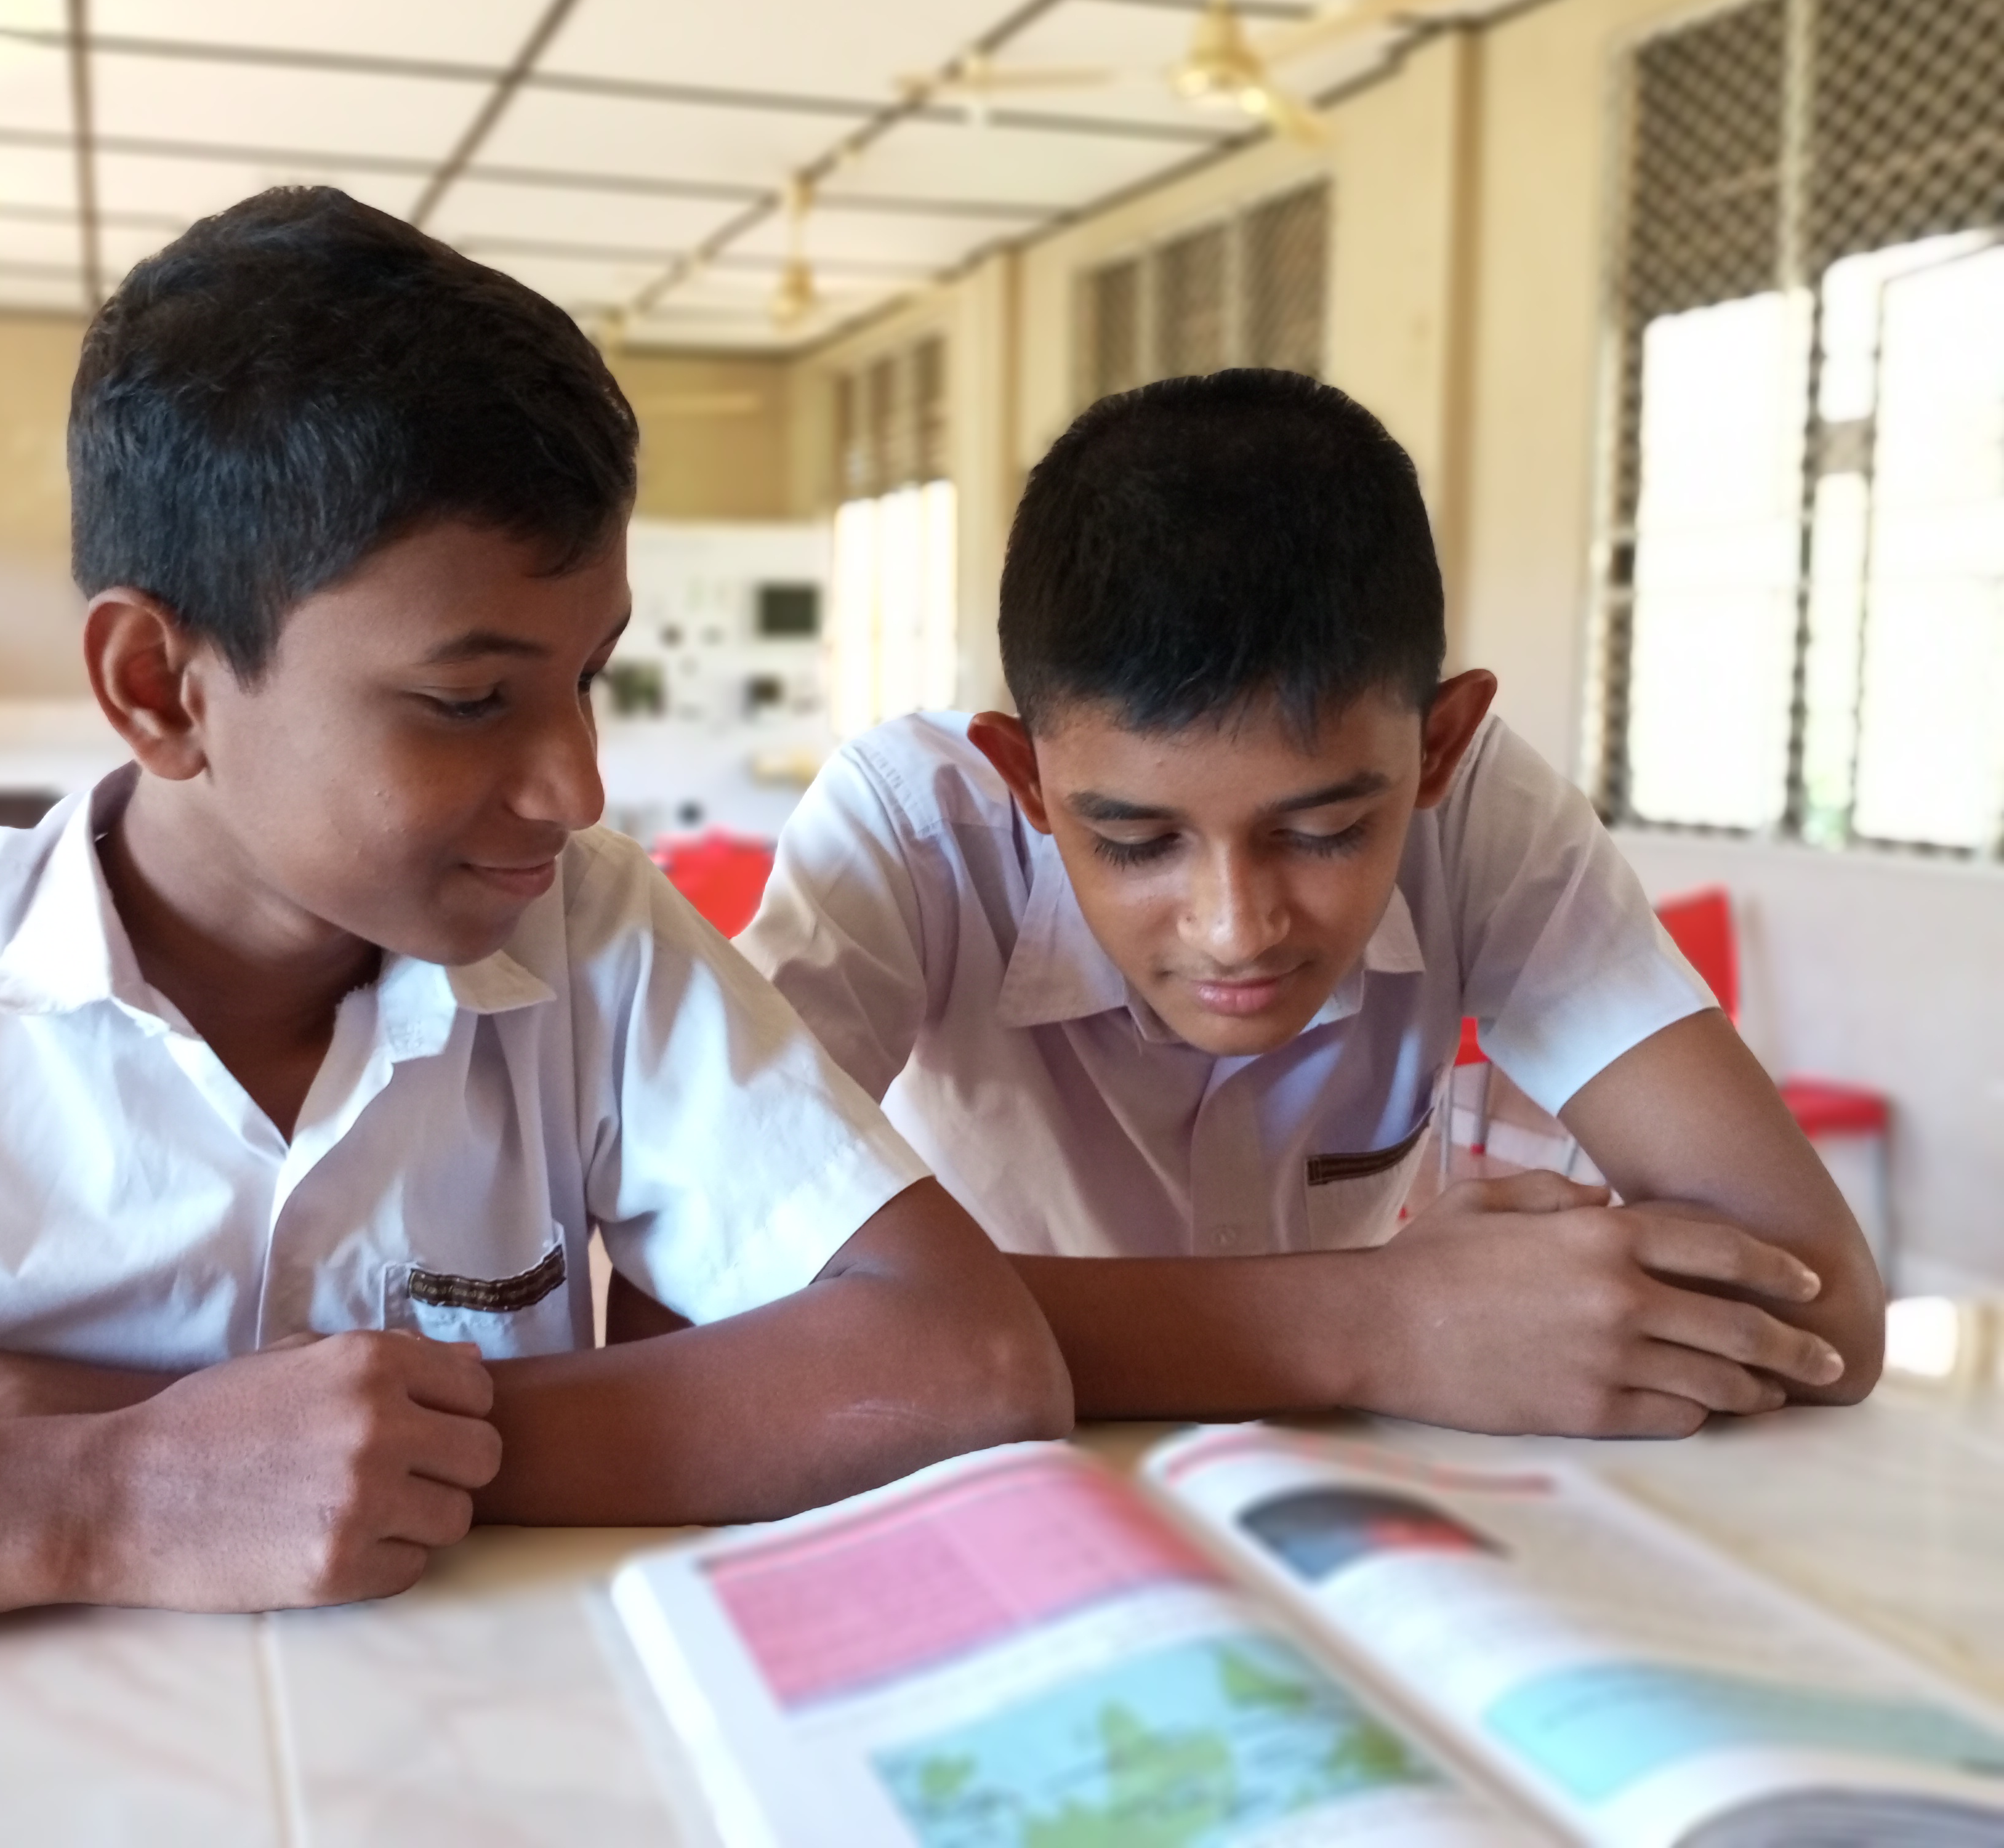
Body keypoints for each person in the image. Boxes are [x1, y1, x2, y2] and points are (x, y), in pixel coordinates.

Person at [0, 190, 1069, 1725]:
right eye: (469, 701)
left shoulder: (584, 932)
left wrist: (227, 1434)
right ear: (158, 687)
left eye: (589, 679)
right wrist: (85, 1493)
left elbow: (962, 1361)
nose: (576, 789)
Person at [731, 369, 1883, 1437]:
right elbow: (711, 1289)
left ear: (1439, 749)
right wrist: (1378, 1322)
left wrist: (959, 1328)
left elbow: (1823, 1308)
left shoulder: (1478, 815)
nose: (1235, 929)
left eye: (1324, 832)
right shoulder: (912, 830)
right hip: (1003, 1488)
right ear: (1024, 781)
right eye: (1134, 842)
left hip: (1333, 1487)